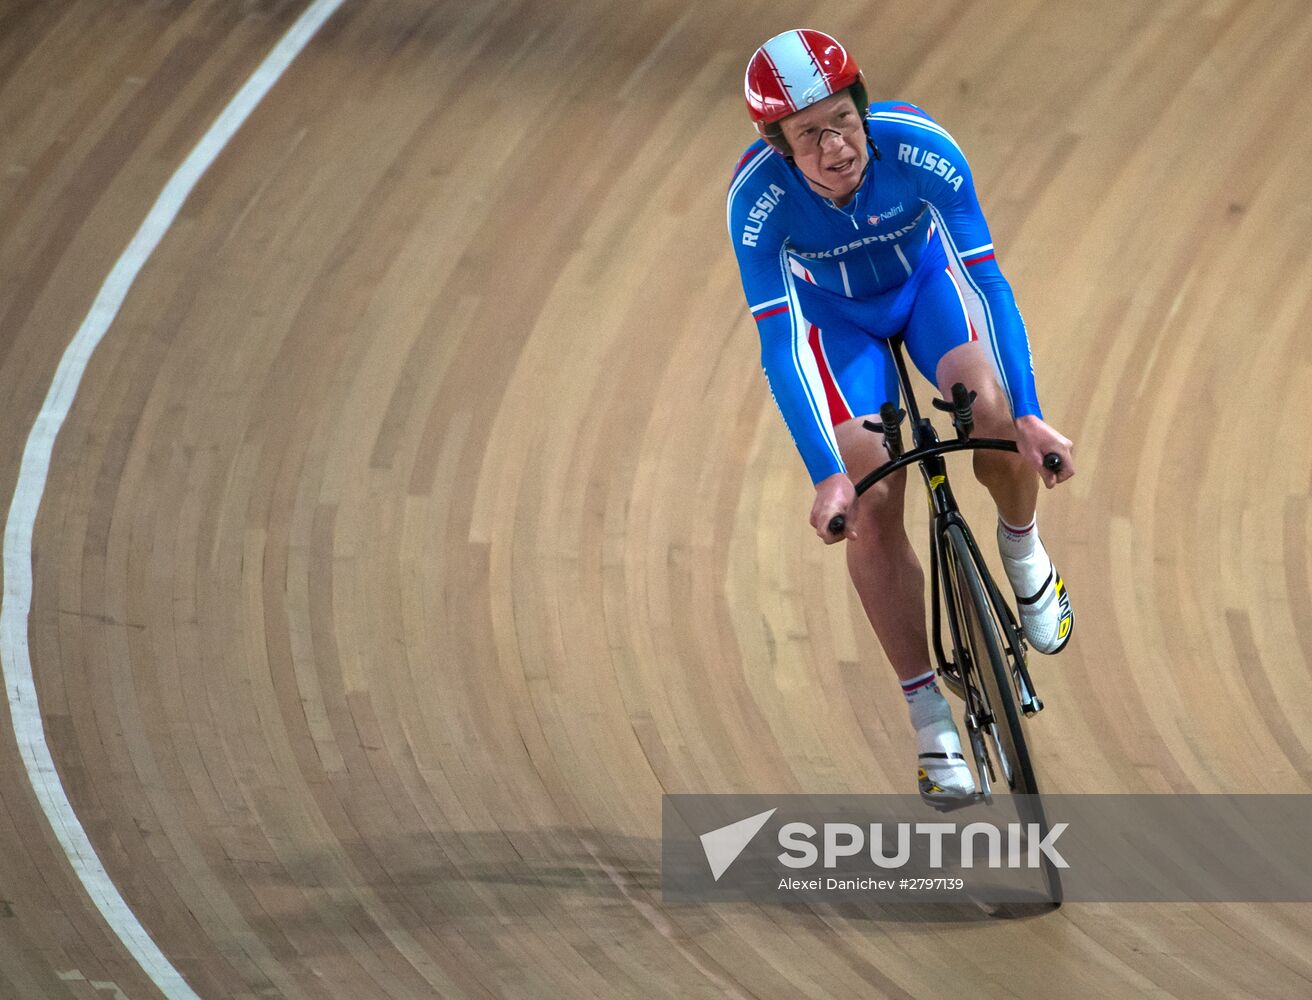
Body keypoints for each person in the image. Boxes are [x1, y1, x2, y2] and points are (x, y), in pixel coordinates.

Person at [727, 28, 1075, 806]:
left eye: (842, 120)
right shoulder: (756, 203)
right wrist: (827, 478)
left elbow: (988, 285)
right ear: (778, 148)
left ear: (863, 104)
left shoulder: (920, 148)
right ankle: (930, 722)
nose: (834, 146)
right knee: (876, 504)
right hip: (838, 325)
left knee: (993, 414)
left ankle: (1023, 558)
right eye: (807, 135)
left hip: (924, 293)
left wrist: (1031, 414)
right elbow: (781, 346)